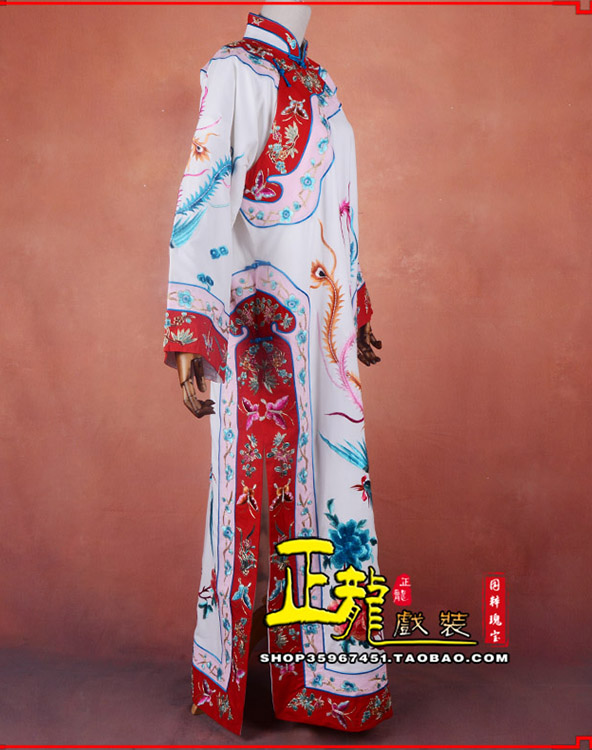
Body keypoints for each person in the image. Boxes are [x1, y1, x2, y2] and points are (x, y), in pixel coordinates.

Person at [163, 5, 392, 734]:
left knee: (333, 475)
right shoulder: (234, 72)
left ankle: (330, 674)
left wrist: (355, 302)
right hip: (256, 313)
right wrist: (192, 325)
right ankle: (230, 666)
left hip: (321, 321)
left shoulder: (322, 85)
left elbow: (342, 205)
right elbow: (202, 195)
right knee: (243, 485)